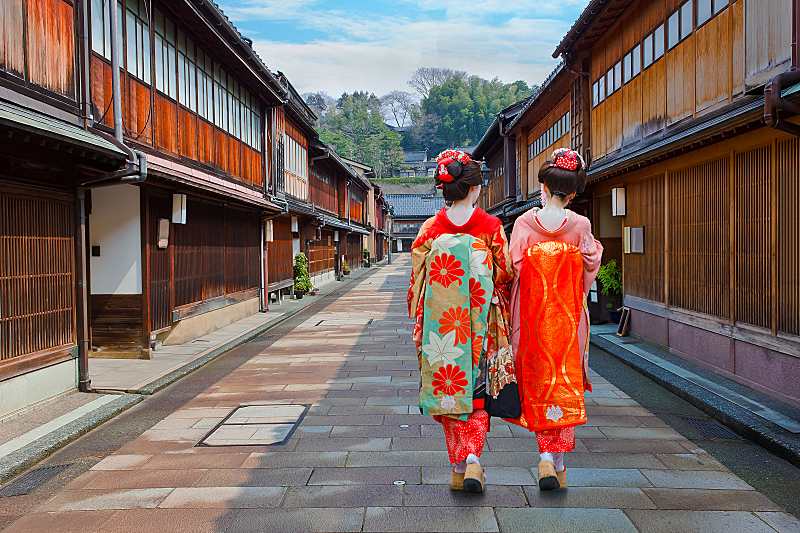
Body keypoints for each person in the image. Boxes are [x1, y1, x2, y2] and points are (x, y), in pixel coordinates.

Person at [408, 149, 513, 493]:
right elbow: (506, 274)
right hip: (481, 325)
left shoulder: (429, 229)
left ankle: (457, 465)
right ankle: (473, 461)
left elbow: (418, 280)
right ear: (474, 189)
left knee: (448, 392)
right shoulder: (491, 227)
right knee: (478, 393)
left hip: (442, 329)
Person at [509, 148, 603, 491]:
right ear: (574, 193)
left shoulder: (523, 224)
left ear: (542, 187)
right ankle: (555, 460)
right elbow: (590, 265)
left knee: (537, 382)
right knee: (563, 382)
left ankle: (546, 456)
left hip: (532, 320)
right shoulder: (580, 225)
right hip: (566, 321)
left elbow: (512, 269)